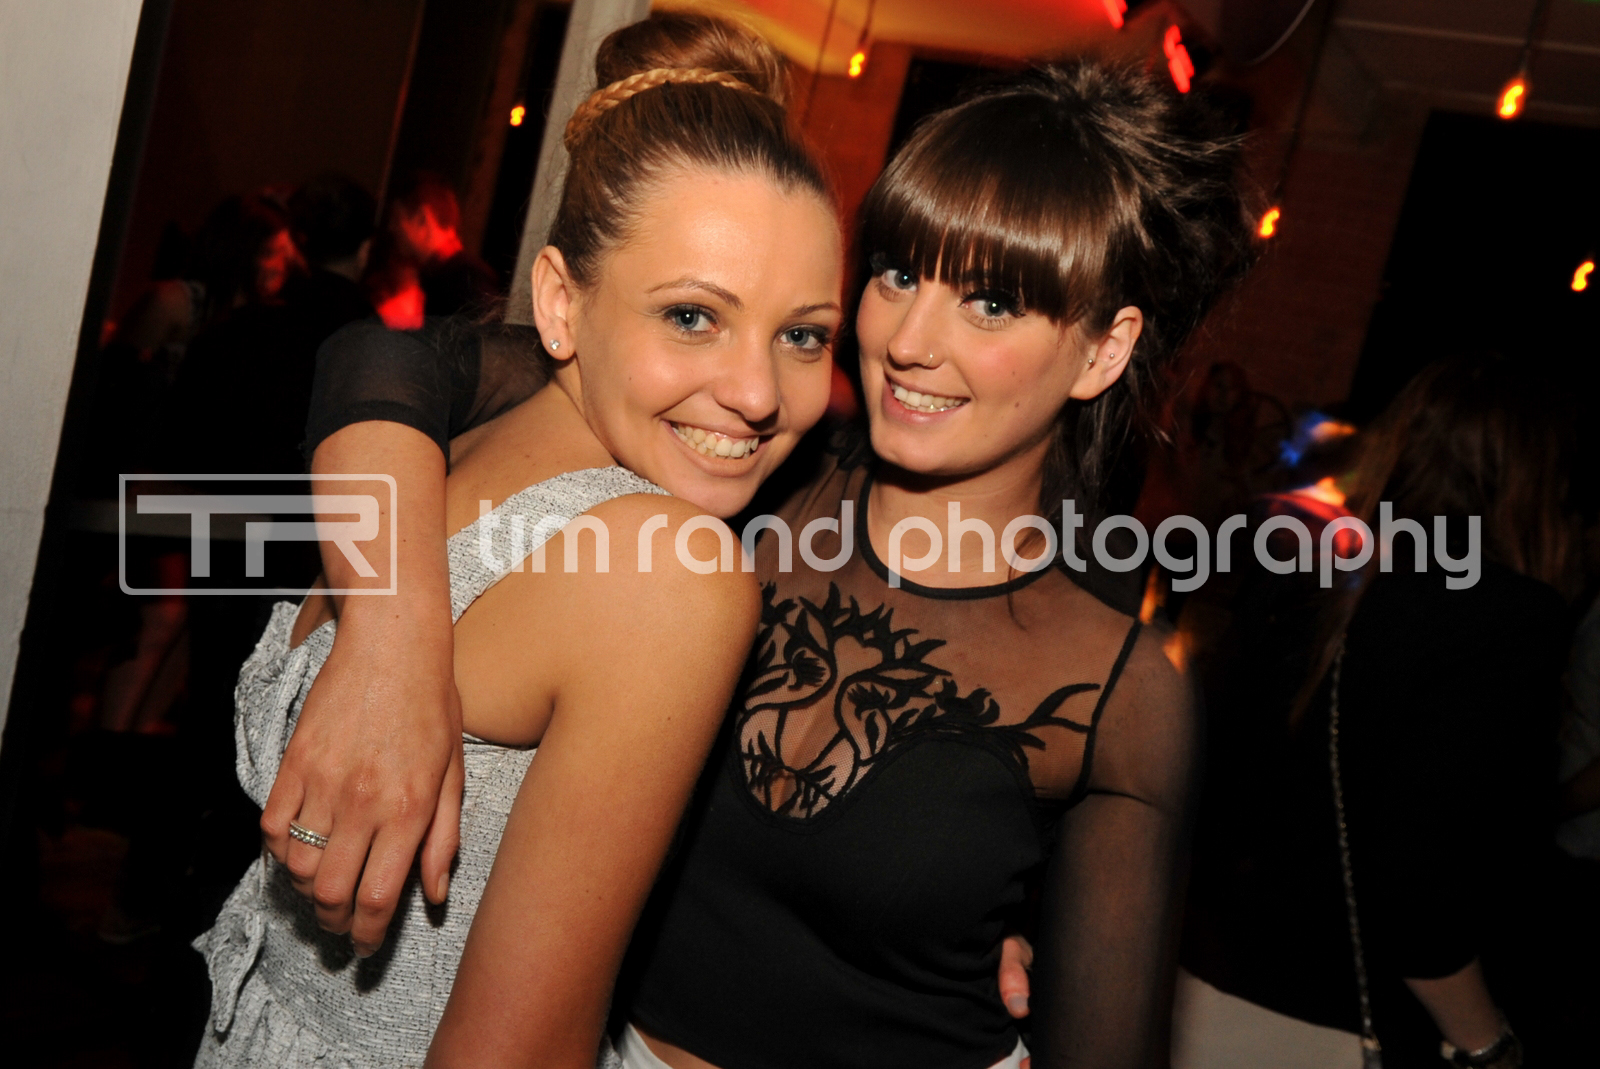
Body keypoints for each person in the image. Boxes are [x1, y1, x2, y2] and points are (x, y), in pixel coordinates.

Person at [289, 41, 1256, 1068]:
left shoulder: (1119, 691)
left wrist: (1015, 912)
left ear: (1103, 349)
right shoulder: (744, 462)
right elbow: (382, 358)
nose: (910, 340)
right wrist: (390, 643)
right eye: (898, 273)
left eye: (991, 302)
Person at [191, 15, 844, 1068]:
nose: (760, 392)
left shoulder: (428, 457)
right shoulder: (669, 574)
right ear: (559, 302)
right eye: (692, 316)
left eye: (802, 333)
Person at [1181, 355, 1580, 1067]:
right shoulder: (1510, 618)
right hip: (1330, 1024)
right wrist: (1486, 1042)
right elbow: (1418, 883)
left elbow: (1211, 767)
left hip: (1203, 983)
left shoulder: (1307, 572)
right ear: (1537, 477)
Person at [387, 172, 500, 317]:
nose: (391, 227)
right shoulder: (451, 277)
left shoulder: (464, 281)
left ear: (422, 218)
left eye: (397, 219)